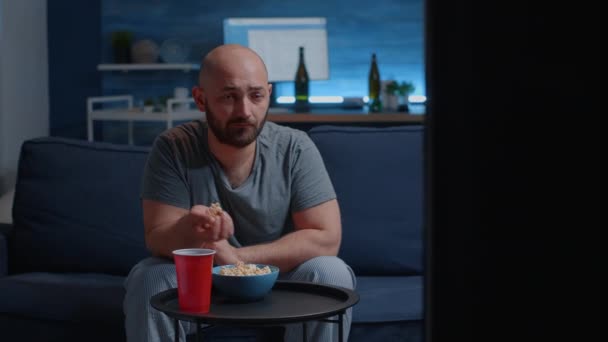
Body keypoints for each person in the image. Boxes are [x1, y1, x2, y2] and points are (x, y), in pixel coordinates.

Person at [123, 44, 356, 342]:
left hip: (279, 281)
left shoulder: (296, 148)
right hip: (202, 280)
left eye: (256, 96)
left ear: (269, 94)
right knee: (150, 277)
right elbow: (157, 237)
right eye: (229, 97)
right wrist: (190, 231)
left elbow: (326, 237)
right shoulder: (174, 147)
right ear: (201, 99)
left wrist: (236, 259)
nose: (245, 111)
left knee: (331, 272)